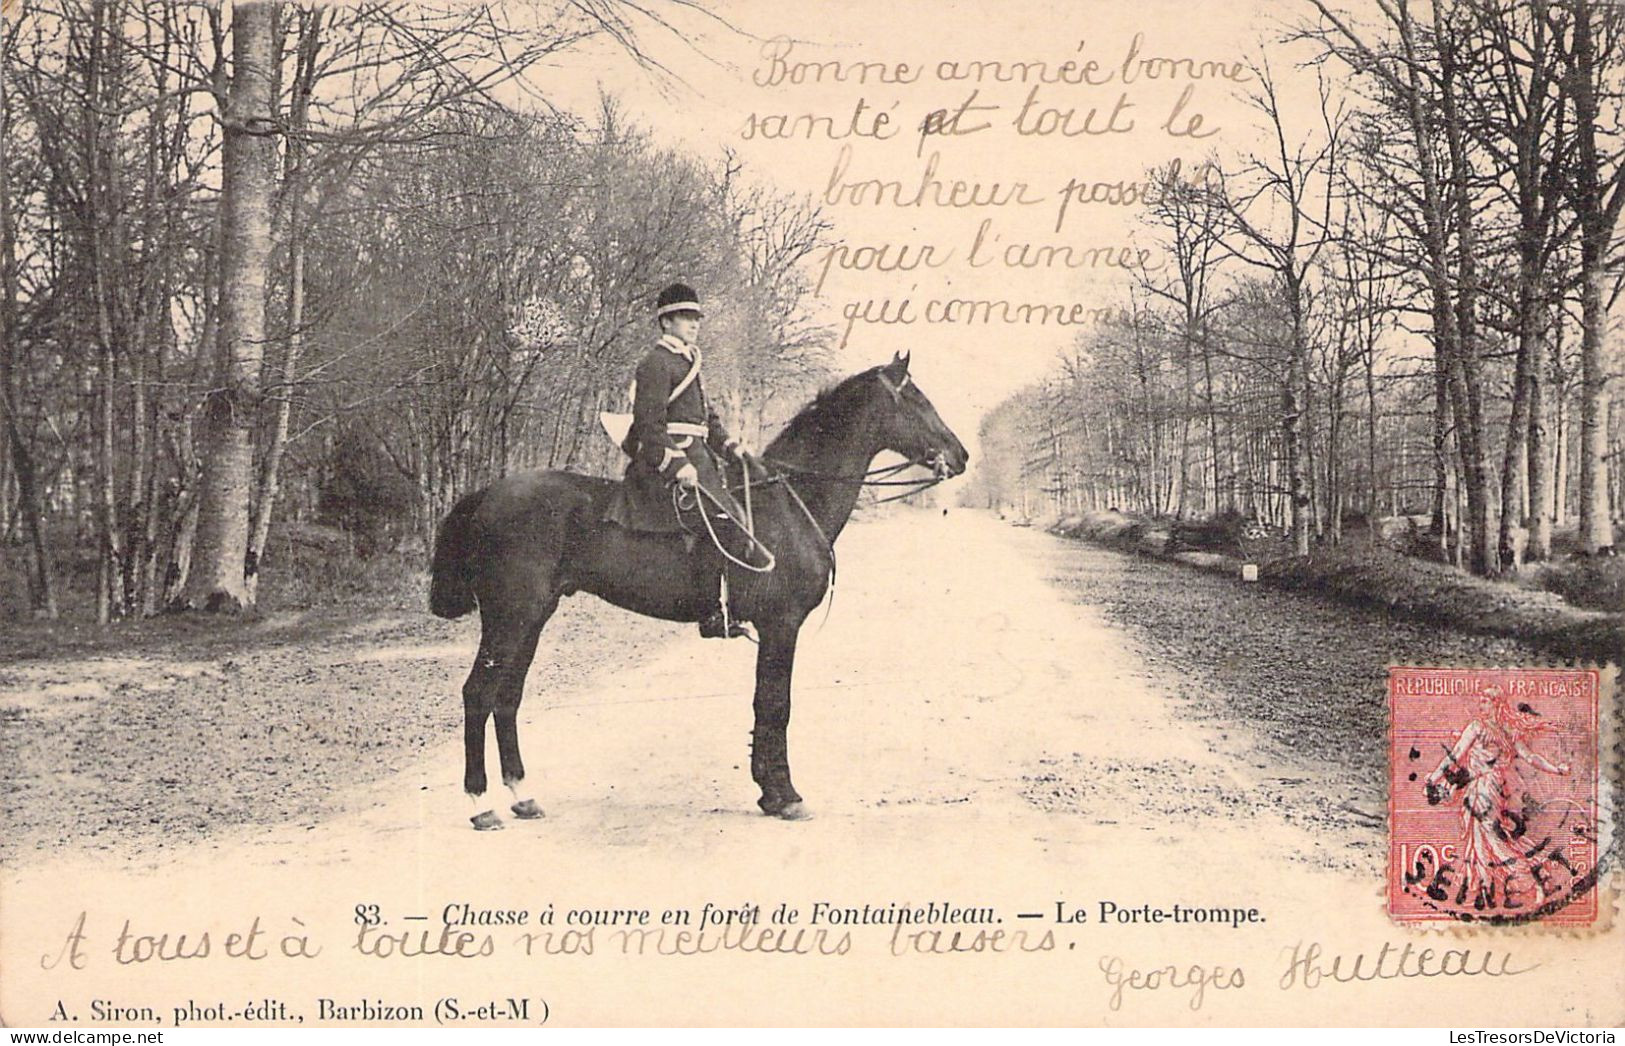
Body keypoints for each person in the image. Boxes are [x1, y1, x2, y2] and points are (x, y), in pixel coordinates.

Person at [602, 282, 753, 638]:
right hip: (665, 466)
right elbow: (650, 426)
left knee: (738, 514)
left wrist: (730, 447)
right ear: (666, 322)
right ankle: (711, 612)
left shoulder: (689, 361)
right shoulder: (655, 363)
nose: (693, 323)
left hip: (699, 459)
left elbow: (706, 419)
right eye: (684, 317)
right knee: (720, 521)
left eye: (696, 317)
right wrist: (676, 464)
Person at [1424, 684, 1571, 908]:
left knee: (1493, 838)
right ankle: (1486, 892)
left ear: (1496, 704)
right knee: (1481, 840)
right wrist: (1557, 769)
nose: (1481, 705)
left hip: (1485, 789)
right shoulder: (1508, 731)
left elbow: (1455, 756)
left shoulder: (1478, 728)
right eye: (1481, 701)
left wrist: (1432, 779)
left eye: (1485, 701)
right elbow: (1530, 757)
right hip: (1486, 788)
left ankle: (1531, 878)